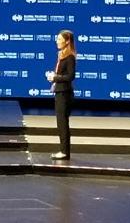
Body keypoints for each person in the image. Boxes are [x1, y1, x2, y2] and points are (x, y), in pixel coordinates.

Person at [47, 29, 77, 160]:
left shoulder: (70, 56)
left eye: (60, 39)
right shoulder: (61, 55)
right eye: (57, 39)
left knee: (63, 123)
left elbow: (70, 76)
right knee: (61, 123)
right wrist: (54, 76)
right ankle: (64, 151)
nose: (57, 41)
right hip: (60, 92)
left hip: (65, 94)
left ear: (67, 41)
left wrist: (55, 77)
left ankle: (64, 152)